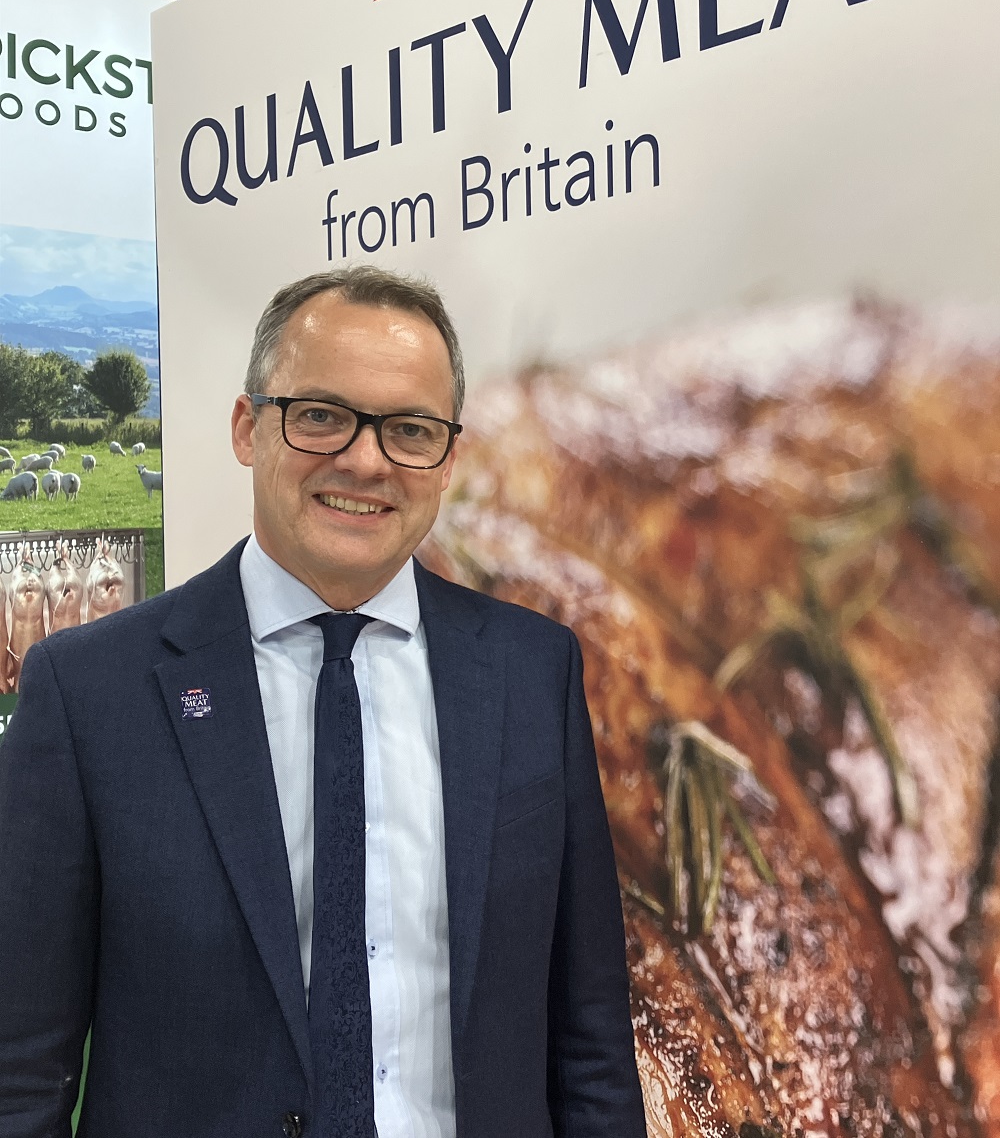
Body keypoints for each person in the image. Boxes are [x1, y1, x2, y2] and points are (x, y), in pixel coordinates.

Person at [0, 266, 647, 1138]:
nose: (365, 458)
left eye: (410, 429)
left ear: (448, 458)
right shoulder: (88, 692)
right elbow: (20, 1069)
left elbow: (592, 1044)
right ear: (246, 426)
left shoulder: (534, 673)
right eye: (320, 415)